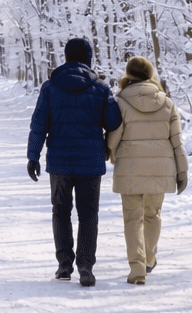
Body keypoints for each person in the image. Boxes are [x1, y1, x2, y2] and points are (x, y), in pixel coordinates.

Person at [26, 38, 122, 287]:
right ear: (88, 58)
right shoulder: (99, 88)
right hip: (90, 162)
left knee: (61, 212)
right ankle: (86, 266)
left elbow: (39, 124)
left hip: (59, 162)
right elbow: (113, 122)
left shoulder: (50, 87)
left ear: (66, 57)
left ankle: (64, 265)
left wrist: (33, 156)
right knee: (89, 214)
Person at [105, 56, 189, 285]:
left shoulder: (120, 102)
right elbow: (177, 141)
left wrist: (108, 153)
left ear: (128, 74)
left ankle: (137, 268)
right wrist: (182, 171)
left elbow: (114, 137)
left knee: (132, 219)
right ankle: (150, 259)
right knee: (153, 215)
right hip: (160, 168)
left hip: (130, 168)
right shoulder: (167, 103)